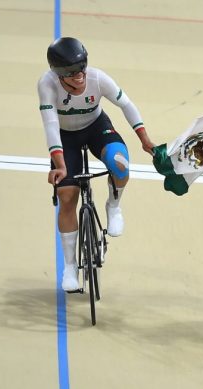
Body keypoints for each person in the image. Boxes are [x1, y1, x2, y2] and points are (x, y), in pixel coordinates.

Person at [37, 37, 155, 291]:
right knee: (67, 195)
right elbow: (50, 125)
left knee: (119, 163)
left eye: (82, 68)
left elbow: (127, 105)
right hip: (65, 137)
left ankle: (114, 206)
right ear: (58, 74)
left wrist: (145, 140)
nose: (79, 76)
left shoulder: (98, 78)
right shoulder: (46, 85)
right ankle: (69, 266)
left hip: (96, 127)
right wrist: (60, 165)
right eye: (71, 72)